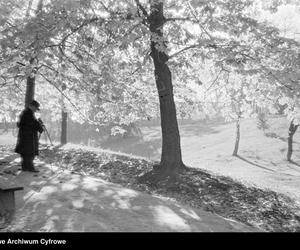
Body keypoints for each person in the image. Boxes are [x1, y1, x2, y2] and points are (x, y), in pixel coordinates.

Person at [15, 100, 44, 172]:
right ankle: (30, 168)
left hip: (25, 136)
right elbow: (33, 124)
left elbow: (19, 124)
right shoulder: (28, 113)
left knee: (25, 152)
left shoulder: (25, 112)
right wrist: (40, 126)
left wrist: (38, 124)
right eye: (35, 108)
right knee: (29, 153)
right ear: (32, 106)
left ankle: (25, 167)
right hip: (28, 137)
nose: (35, 110)